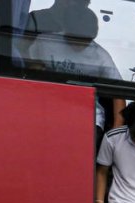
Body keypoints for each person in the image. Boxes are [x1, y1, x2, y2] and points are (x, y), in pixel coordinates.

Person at [23, 5, 125, 140]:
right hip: (47, 109)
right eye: (77, 40)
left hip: (87, 117)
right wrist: (36, 68)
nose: (81, 45)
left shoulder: (101, 57)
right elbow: (26, 64)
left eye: (86, 41)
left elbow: (119, 93)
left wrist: (115, 133)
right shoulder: (45, 42)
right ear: (66, 31)